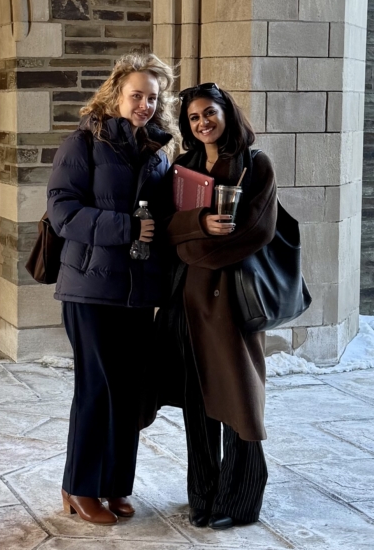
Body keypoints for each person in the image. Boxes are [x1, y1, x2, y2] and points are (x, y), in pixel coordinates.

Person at [46, 53, 177, 525]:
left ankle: (116, 485)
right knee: (97, 389)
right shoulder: (83, 143)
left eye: (152, 98)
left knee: (128, 392)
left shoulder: (158, 151)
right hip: (91, 289)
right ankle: (81, 487)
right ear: (116, 94)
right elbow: (62, 212)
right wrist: (126, 228)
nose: (144, 104)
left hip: (137, 293)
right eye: (136, 95)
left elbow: (161, 217)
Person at [160, 82, 278, 529]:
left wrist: (194, 243)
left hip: (231, 300)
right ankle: (204, 494)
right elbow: (169, 227)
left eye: (209, 112)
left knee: (239, 402)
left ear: (226, 113)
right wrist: (198, 225)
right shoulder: (184, 165)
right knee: (197, 404)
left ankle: (241, 499)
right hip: (188, 303)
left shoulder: (255, 164)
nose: (202, 122)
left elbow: (254, 232)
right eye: (193, 118)